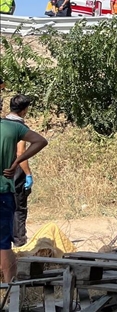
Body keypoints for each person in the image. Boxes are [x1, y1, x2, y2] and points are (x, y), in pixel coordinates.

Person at [0, 103, 48, 283]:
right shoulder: (13, 127)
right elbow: (41, 141)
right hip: (4, 190)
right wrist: (16, 162)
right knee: (4, 244)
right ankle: (10, 289)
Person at [5, 95, 35, 248]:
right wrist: (28, 174)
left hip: (3, 169)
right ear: (24, 110)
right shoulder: (20, 127)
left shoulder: (3, 123)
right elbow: (20, 153)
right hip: (15, 171)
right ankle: (20, 242)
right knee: (19, 208)